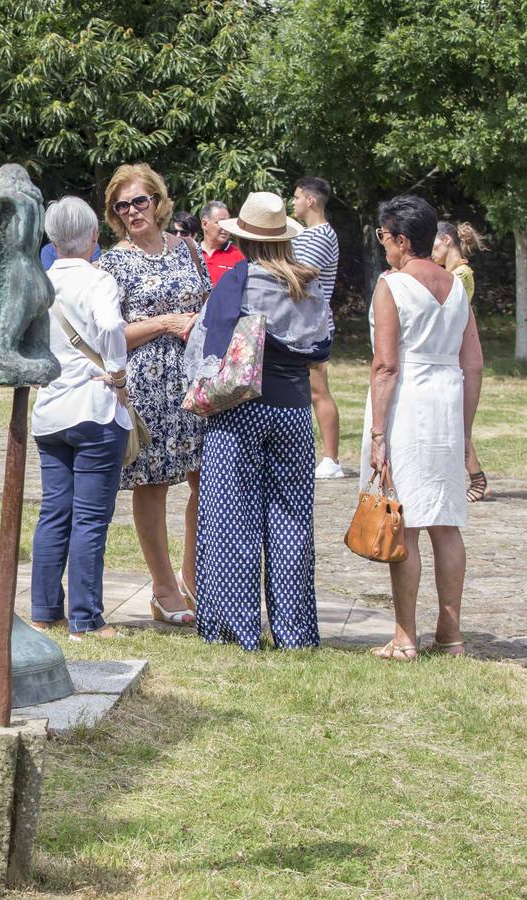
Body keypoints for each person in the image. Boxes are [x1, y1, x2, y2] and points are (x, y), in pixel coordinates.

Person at [186, 192, 332, 650]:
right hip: (292, 411)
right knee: (291, 520)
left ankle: (236, 627)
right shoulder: (308, 285)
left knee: (233, 517)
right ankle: (294, 632)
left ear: (244, 239)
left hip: (239, 410)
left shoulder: (237, 279)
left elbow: (210, 349)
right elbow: (322, 349)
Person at [362, 195, 483, 660]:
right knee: (447, 524)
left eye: (384, 237)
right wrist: (465, 430)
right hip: (447, 404)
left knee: (405, 522)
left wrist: (377, 435)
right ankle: (450, 635)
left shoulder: (391, 284)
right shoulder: (456, 286)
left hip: (407, 406)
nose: (383, 246)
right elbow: (473, 365)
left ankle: (405, 635)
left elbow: (387, 365)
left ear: (401, 239)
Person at [98, 163, 208, 627]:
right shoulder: (111, 263)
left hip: (194, 377)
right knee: (153, 484)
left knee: (205, 480)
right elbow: (109, 334)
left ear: (158, 202)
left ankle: (194, 576)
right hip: (146, 381)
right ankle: (163, 588)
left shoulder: (188, 249)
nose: (132, 212)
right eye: (122, 206)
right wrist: (165, 323)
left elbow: (208, 305)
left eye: (139, 202)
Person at [29, 197, 130, 641]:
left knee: (54, 512)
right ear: (93, 237)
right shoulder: (98, 279)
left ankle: (44, 610)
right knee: (90, 518)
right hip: (94, 406)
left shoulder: (37, 282)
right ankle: (85, 618)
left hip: (51, 410)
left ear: (52, 240)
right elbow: (110, 326)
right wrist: (117, 370)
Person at [290, 177, 344, 480]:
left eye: (297, 197)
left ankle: (331, 457)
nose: (293, 202)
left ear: (311, 201)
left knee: (318, 390)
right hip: (301, 324)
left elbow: (301, 275)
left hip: (312, 325)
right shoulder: (306, 234)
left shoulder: (321, 235)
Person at [433, 220, 490, 502]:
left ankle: (477, 479)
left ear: (446, 240)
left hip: (455, 358)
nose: (431, 252)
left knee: (457, 423)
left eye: (433, 245)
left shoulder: (461, 275)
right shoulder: (451, 273)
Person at [199, 200, 244, 286]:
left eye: (227, 223)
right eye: (220, 223)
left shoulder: (239, 256)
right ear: (204, 224)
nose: (226, 228)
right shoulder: (191, 254)